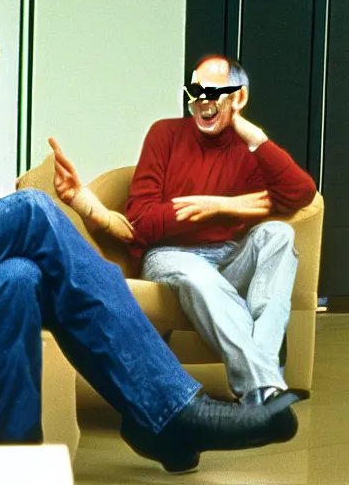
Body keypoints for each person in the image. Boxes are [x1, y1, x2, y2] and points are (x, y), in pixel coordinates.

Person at [0, 8, 300, 476]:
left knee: (17, 277)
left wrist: (0, 219)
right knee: (31, 210)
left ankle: (11, 464)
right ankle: (170, 411)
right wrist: (5, 218)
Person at [51, 55, 317, 407]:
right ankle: (264, 384)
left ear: (238, 98)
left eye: (214, 92)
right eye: (195, 91)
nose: (202, 101)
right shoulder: (165, 135)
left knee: (279, 237)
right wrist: (217, 208)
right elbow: (142, 222)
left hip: (230, 254)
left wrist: (219, 202)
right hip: (171, 256)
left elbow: (300, 194)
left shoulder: (250, 150)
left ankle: (261, 376)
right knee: (198, 276)